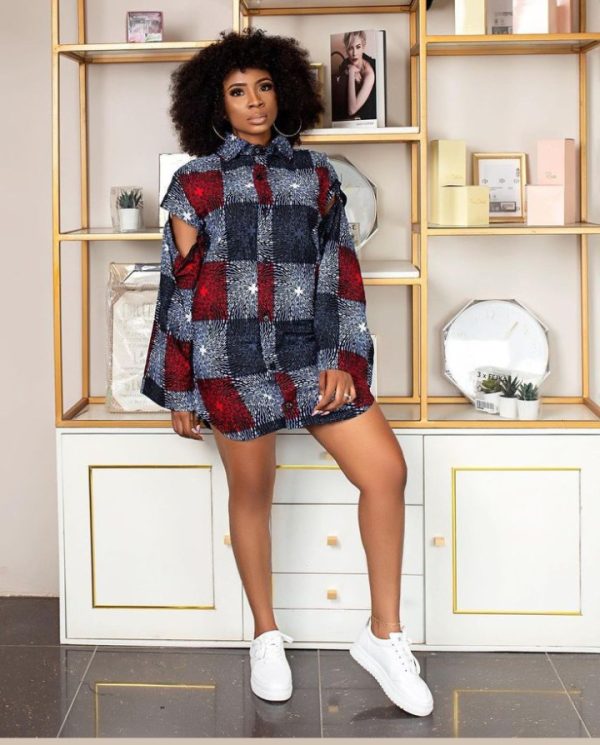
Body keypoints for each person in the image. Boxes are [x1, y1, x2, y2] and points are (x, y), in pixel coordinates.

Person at [140, 27, 433, 718]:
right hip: (228, 359)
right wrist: (178, 388)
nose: (254, 102)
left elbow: (340, 272)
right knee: (253, 495)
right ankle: (266, 635)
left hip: (309, 353)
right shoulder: (195, 183)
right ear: (215, 103)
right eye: (238, 91)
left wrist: (342, 358)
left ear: (284, 91)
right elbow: (180, 289)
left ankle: (383, 634)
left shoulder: (318, 175)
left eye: (264, 87)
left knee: (386, 472)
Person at [332, 30, 377, 122]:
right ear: (346, 50)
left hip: (367, 121)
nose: (354, 53)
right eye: (350, 48)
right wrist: (349, 69)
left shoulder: (369, 74)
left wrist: (351, 72)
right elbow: (344, 65)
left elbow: (352, 110)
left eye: (358, 47)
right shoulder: (346, 63)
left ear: (363, 47)